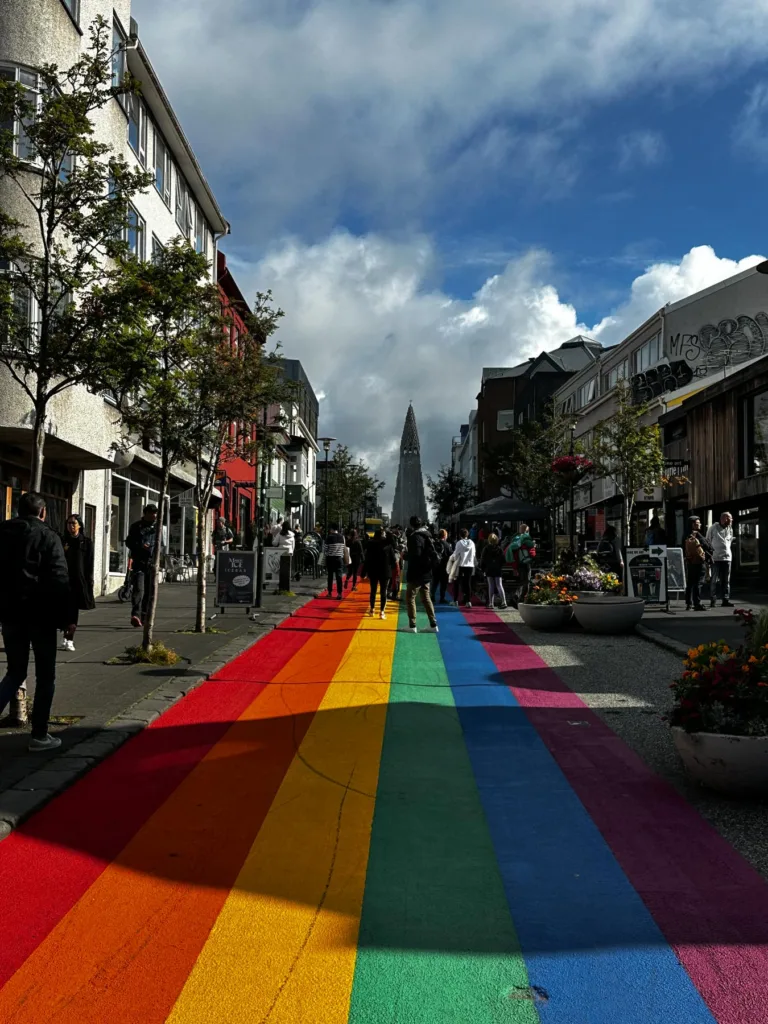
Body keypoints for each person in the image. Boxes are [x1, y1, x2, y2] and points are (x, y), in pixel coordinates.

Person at [0, 492, 72, 750]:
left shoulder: (3, 533)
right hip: (41, 615)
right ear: (43, 512)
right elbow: (59, 578)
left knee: (15, 671)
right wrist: (67, 618)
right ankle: (39, 735)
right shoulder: (48, 536)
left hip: (10, 613)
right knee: (45, 675)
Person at [59, 513, 95, 652]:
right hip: (62, 580)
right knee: (62, 610)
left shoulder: (86, 542)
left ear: (79, 525)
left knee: (73, 611)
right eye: (68, 523)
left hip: (78, 581)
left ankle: (70, 639)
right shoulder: (62, 541)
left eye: (73, 523)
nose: (71, 526)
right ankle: (64, 634)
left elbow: (89, 563)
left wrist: (88, 582)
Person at [125, 504, 158, 628]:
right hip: (139, 562)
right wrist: (140, 546)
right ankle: (136, 614)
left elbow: (161, 544)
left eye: (155, 513)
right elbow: (129, 542)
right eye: (151, 513)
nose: (154, 515)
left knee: (149, 591)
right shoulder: (136, 527)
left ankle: (144, 615)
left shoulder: (157, 527)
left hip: (152, 563)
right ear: (146, 514)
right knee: (139, 588)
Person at [404, 516, 439, 633]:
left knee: (410, 597)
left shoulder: (415, 537)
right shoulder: (428, 535)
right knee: (426, 598)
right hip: (427, 572)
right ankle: (433, 624)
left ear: (411, 525)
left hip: (416, 573)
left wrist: (406, 556)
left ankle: (412, 625)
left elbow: (415, 555)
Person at [364, 528, 396, 618]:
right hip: (385, 571)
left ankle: (372, 610)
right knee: (383, 591)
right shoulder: (388, 546)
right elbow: (393, 559)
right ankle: (382, 612)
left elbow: (367, 559)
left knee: (373, 590)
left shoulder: (370, 545)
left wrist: (364, 571)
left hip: (373, 570)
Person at [684, 515, 712, 612]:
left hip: (690, 562)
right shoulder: (697, 535)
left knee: (690, 583)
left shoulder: (685, 535)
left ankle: (689, 603)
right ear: (693, 524)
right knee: (698, 583)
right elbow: (708, 546)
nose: (700, 524)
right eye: (697, 523)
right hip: (699, 561)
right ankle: (697, 603)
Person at [706, 512, 734, 608]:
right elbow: (708, 541)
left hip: (727, 558)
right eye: (730, 518)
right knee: (714, 580)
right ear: (725, 518)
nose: (732, 520)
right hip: (716, 558)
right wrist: (710, 555)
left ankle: (725, 599)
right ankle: (713, 600)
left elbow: (729, 541)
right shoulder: (713, 528)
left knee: (726, 580)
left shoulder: (730, 528)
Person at [506, 523, 536, 602]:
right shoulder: (527, 539)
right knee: (527, 581)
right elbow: (532, 553)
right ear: (526, 530)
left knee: (522, 580)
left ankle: (519, 595)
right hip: (526, 562)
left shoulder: (516, 539)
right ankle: (522, 597)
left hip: (519, 563)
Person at [449, 528, 477, 607]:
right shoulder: (472, 543)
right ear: (467, 534)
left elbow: (456, 554)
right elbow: (474, 554)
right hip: (470, 565)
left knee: (457, 583)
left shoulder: (459, 543)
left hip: (460, 565)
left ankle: (455, 600)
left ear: (460, 535)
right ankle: (468, 601)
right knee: (468, 583)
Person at [480, 533, 507, 609]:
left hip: (489, 569)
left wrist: (483, 569)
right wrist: (499, 566)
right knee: (499, 585)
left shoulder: (486, 549)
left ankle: (491, 603)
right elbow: (503, 560)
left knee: (491, 586)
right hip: (497, 569)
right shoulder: (499, 549)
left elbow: (483, 560)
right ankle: (504, 601)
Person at [324, 523, 345, 599]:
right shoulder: (342, 537)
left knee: (330, 576)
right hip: (339, 559)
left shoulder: (329, 537)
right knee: (339, 576)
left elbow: (325, 549)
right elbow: (343, 548)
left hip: (330, 559)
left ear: (332, 529)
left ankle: (330, 592)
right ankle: (339, 593)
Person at [433, 529, 454, 603]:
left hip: (435, 566)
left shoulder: (434, 543)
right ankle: (442, 598)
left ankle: (432, 597)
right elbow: (451, 556)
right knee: (443, 584)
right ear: (445, 536)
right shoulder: (447, 545)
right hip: (444, 566)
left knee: (434, 583)